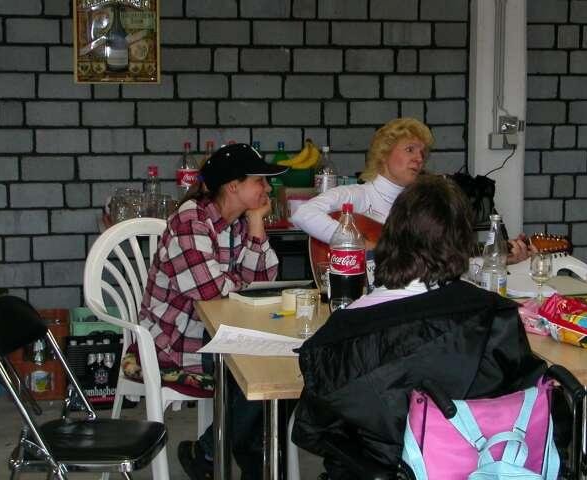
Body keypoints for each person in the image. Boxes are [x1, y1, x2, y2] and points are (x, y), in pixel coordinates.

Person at [291, 175, 546, 479]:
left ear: (389, 236)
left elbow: (312, 429)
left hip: (386, 467)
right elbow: (529, 400)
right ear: (463, 243)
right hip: (482, 464)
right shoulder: (495, 314)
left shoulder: (340, 333)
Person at [139, 143, 288, 480]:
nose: (267, 189)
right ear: (233, 186)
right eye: (260, 181)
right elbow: (209, 291)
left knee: (282, 369)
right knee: (260, 372)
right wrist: (238, 284)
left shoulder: (239, 221)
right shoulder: (190, 220)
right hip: (179, 339)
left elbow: (262, 281)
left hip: (224, 331)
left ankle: (210, 454)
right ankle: (220, 456)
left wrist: (256, 223)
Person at [291, 116, 531, 262]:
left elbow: (442, 263)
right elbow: (303, 214)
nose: (419, 158)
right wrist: (361, 245)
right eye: (410, 150)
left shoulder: (422, 208)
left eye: (422, 153)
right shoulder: (357, 195)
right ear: (383, 154)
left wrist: (498, 259)